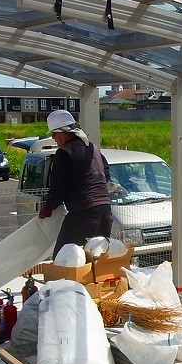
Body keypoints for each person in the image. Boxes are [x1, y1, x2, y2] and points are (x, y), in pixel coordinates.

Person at [37, 109, 112, 255]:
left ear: (65, 133)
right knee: (96, 259)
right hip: (105, 213)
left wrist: (48, 208)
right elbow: (106, 173)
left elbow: (58, 187)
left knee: (65, 256)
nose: (53, 137)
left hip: (83, 214)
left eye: (54, 133)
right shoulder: (93, 148)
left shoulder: (64, 153)